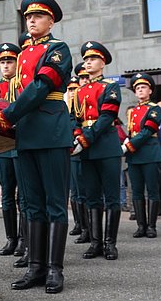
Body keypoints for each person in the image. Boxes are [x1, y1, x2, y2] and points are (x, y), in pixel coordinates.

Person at [0, 0, 73, 294]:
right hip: (27, 134)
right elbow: (15, 94)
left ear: (51, 21)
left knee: (55, 204)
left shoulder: (58, 49)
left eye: (37, 16)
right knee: (32, 204)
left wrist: (5, 118)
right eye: (28, 17)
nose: (31, 20)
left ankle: (55, 269)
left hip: (50, 130)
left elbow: (40, 88)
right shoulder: (21, 57)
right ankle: (35, 267)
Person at [73, 41, 122, 261]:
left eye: (92, 59)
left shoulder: (110, 87)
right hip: (86, 149)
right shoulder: (79, 91)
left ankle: (110, 243)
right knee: (91, 196)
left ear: (102, 63)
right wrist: (76, 136)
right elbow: (75, 119)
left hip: (106, 145)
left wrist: (86, 138)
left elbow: (107, 116)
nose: (87, 62)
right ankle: (95, 243)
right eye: (85, 59)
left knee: (111, 197)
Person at [0, 42, 24, 258]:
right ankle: (11, 238)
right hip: (2, 147)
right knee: (6, 195)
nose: (5, 65)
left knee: (24, 196)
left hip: (20, 144)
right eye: (2, 62)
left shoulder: (23, 86)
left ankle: (24, 239)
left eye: (9, 61)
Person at [123, 73, 161, 238]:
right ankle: (141, 225)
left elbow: (148, 130)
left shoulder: (154, 108)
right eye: (137, 88)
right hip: (134, 156)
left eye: (143, 87)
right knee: (137, 191)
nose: (140, 90)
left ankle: (152, 226)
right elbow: (131, 132)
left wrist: (130, 145)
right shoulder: (132, 111)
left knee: (153, 191)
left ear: (150, 90)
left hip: (149, 153)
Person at [70, 63, 92, 241]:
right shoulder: (73, 99)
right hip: (72, 149)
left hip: (88, 146)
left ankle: (88, 228)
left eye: (86, 77)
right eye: (81, 78)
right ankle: (81, 224)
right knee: (75, 191)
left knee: (86, 191)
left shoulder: (92, 96)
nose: (84, 80)